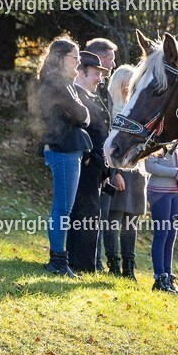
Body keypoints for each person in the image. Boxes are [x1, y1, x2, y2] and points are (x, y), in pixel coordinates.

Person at [37, 37, 90, 278]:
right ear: (61, 58)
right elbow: (81, 114)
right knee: (63, 209)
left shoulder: (63, 82)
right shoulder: (57, 82)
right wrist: (83, 113)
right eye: (75, 58)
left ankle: (59, 259)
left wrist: (83, 113)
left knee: (63, 208)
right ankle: (57, 261)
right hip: (63, 148)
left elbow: (83, 115)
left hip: (66, 148)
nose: (78, 63)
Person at [66, 51, 112, 273]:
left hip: (96, 168)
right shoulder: (75, 96)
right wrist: (88, 157)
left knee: (91, 214)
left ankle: (84, 263)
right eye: (95, 73)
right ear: (82, 72)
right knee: (85, 213)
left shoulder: (93, 97)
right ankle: (81, 264)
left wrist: (105, 169)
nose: (99, 79)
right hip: (84, 164)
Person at [103, 65, 146, 280]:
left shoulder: (135, 111)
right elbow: (108, 146)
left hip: (137, 173)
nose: (129, 87)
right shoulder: (111, 111)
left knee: (131, 222)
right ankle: (113, 265)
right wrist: (114, 173)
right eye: (126, 83)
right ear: (118, 84)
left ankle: (129, 269)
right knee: (114, 220)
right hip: (118, 170)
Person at [85, 38, 119, 272]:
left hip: (102, 162)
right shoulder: (91, 90)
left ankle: (95, 261)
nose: (114, 64)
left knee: (99, 213)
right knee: (87, 211)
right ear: (99, 57)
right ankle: (90, 261)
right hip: (90, 159)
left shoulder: (104, 89)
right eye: (111, 58)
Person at [144, 148, 178, 295]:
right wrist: (176, 173)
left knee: (171, 235)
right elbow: (150, 166)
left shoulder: (173, 140)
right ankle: (159, 277)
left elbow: (176, 163)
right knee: (162, 234)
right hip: (159, 192)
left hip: (174, 193)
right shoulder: (155, 141)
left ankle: (168, 276)